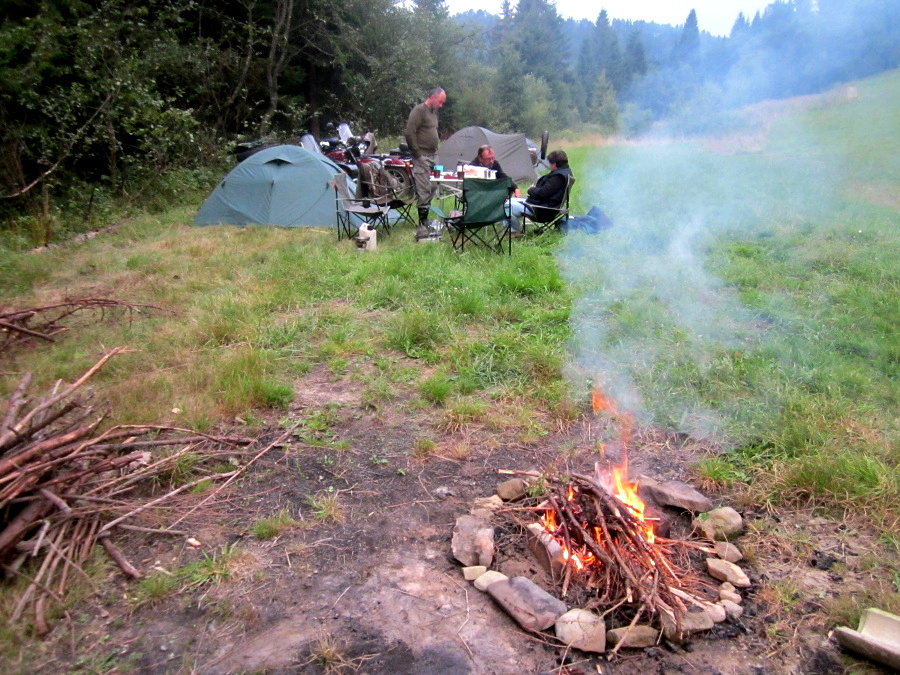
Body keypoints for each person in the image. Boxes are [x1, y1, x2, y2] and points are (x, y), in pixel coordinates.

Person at [405, 87, 446, 239]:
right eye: (440, 102)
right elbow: (410, 133)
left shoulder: (434, 113)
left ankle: (426, 218)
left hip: (434, 155)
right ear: (433, 97)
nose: (441, 105)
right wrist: (417, 155)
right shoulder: (419, 111)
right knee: (424, 187)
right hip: (422, 155)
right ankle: (422, 222)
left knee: (434, 185)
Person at [508, 149, 573, 236]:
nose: (549, 165)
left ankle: (514, 232)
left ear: (554, 164)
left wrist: (531, 189)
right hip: (546, 206)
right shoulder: (566, 172)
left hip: (542, 210)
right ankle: (512, 229)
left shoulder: (558, 177)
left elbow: (543, 193)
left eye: (550, 163)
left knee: (507, 205)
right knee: (510, 200)